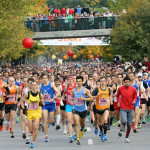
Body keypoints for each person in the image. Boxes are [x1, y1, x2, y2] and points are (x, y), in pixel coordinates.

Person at [21, 80, 44, 148]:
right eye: (32, 85)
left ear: (37, 86)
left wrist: (41, 104)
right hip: (30, 113)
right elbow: (21, 101)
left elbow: (42, 102)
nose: (34, 86)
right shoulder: (27, 94)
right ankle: (31, 132)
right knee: (31, 129)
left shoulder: (40, 94)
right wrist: (23, 108)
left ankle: (33, 142)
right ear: (31, 86)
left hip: (37, 112)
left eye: (35, 85)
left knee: (35, 127)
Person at [70, 76, 93, 145]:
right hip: (76, 109)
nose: (79, 82)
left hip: (83, 109)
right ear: (76, 82)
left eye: (80, 81)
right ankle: (77, 138)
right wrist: (72, 101)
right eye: (77, 81)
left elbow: (92, 99)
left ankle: (82, 129)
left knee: (82, 124)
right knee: (76, 122)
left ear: (82, 82)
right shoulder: (74, 90)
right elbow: (73, 98)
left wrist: (84, 99)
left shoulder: (86, 90)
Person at [116, 76, 137, 143]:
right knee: (124, 121)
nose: (127, 83)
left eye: (128, 82)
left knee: (129, 124)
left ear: (129, 82)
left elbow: (135, 96)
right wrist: (118, 102)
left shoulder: (133, 89)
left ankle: (127, 137)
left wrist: (134, 100)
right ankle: (123, 126)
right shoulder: (120, 88)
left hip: (131, 108)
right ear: (123, 82)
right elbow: (117, 95)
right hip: (123, 108)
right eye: (125, 82)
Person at [40, 72, 60, 142]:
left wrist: (53, 98)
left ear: (48, 78)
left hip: (51, 104)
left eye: (45, 78)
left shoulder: (51, 85)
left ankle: (52, 121)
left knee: (50, 121)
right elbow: (39, 94)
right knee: (45, 120)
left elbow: (58, 92)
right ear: (41, 79)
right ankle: (46, 136)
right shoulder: (40, 86)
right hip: (44, 105)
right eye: (43, 78)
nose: (44, 79)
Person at [92, 76, 113, 142]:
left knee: (105, 119)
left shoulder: (109, 89)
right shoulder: (96, 89)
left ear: (106, 82)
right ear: (99, 82)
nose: (103, 82)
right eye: (101, 81)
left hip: (106, 107)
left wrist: (111, 101)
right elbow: (92, 97)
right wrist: (97, 96)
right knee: (100, 123)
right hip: (98, 108)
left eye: (104, 81)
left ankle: (104, 134)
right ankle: (101, 131)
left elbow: (110, 96)